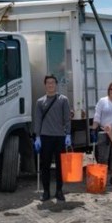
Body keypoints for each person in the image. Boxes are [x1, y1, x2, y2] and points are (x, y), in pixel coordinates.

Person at [33, 74, 73, 203]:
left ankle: (59, 191)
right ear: (45, 85)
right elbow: (37, 120)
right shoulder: (40, 102)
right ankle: (46, 192)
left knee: (61, 166)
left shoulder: (63, 100)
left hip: (60, 137)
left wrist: (68, 134)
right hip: (45, 137)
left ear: (56, 84)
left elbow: (67, 118)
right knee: (45, 166)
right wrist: (37, 136)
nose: (50, 85)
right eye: (48, 83)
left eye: (52, 82)